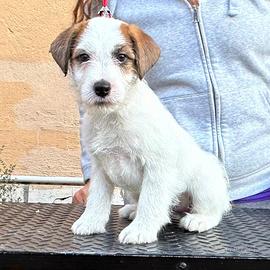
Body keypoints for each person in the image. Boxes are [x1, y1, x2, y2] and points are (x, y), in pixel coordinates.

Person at [73, 0, 270, 208]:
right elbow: (94, 92)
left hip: (261, 187)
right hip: (160, 192)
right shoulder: (115, 4)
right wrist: (94, 176)